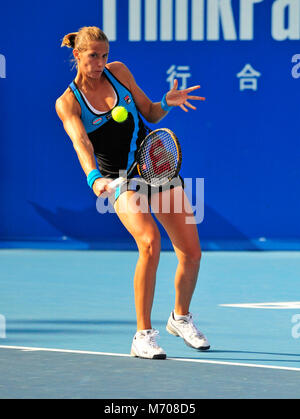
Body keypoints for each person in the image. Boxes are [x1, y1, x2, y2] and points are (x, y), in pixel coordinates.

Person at [55, 26, 210, 359]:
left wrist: (166, 103)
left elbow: (150, 112)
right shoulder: (68, 102)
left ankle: (180, 317)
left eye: (104, 55)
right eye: (93, 56)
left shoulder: (119, 73)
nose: (99, 62)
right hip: (120, 178)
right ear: (77, 55)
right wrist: (94, 178)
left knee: (192, 253)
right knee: (150, 243)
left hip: (155, 165)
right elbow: (81, 143)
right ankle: (142, 335)